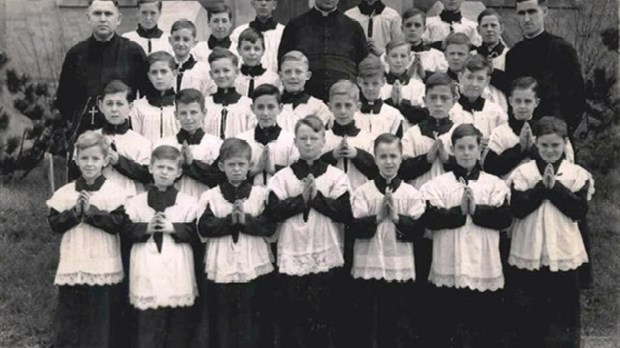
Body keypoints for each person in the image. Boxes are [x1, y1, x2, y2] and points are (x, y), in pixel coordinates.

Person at [420, 123, 511, 348]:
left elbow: (504, 219)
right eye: (461, 148)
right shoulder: (438, 185)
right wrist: (458, 212)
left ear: (480, 149)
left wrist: (476, 211)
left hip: (483, 263)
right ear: (453, 150)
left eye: (471, 147)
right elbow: (429, 219)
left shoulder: (494, 184)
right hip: (449, 261)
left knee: (481, 325)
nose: (467, 153)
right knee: (448, 324)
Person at [507, 116, 594, 347]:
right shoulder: (523, 174)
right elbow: (518, 209)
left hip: (563, 250)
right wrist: (540, 188)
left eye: (555, 145)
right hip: (529, 250)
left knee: (563, 313)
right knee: (530, 312)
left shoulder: (577, 174)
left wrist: (554, 187)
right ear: (535, 143)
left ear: (565, 144)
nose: (550, 150)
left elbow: (578, 210)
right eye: (544, 145)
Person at [266, 115, 352, 347]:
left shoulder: (336, 176)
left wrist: (316, 198)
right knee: (293, 318)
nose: (308, 143)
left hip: (324, 251)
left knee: (324, 316)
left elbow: (344, 212)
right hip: (293, 251)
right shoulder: (282, 177)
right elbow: (273, 212)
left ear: (324, 141)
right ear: (295, 141)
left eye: (314, 138)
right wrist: (301, 200)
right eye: (303, 138)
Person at [46, 131, 126, 348]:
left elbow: (117, 223)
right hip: (74, 261)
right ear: (76, 159)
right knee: (70, 316)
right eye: (84, 158)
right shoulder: (65, 192)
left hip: (102, 263)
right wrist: (75, 212)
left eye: (95, 158)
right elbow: (55, 224)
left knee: (99, 318)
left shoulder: (114, 193)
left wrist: (90, 213)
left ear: (105, 161)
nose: (89, 164)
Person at [194, 138, 276, 348]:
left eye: (241, 164)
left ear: (250, 166)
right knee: (223, 320)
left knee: (253, 317)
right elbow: (204, 227)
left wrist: (246, 220)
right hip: (222, 263)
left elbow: (269, 226)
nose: (237, 169)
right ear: (221, 166)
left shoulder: (260, 194)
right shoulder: (211, 196)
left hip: (253, 263)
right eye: (231, 164)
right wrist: (229, 221)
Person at [347, 133, 425, 348]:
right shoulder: (363, 192)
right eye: (383, 156)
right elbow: (354, 227)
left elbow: (418, 230)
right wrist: (378, 217)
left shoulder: (410, 193)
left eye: (393, 156)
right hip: (369, 261)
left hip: (398, 263)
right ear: (375, 159)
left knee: (397, 318)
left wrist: (398, 218)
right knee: (368, 319)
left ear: (401, 158)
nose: (389, 162)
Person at [56, 0, 147, 179]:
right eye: (97, 14)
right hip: (85, 133)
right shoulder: (76, 54)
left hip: (123, 133)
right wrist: (83, 118)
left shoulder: (133, 51)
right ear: (88, 17)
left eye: (108, 14)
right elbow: (64, 100)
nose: (103, 19)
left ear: (118, 19)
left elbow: (144, 96)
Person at [123, 145, 199, 348]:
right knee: (148, 321)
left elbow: (196, 232)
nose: (164, 172)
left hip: (176, 263)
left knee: (177, 322)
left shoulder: (189, 203)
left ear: (179, 173)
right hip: (146, 263)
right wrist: (146, 228)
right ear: (150, 168)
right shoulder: (135, 203)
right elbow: (126, 229)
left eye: (170, 168)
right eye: (160, 167)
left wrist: (173, 227)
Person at [506, 0, 585, 135]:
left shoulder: (561, 48)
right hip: (522, 134)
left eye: (532, 11)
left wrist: (565, 130)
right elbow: (511, 97)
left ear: (545, 12)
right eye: (521, 13)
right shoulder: (514, 54)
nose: (526, 19)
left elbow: (577, 94)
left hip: (555, 136)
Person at [277, 0, 369, 102]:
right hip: (305, 100)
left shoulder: (354, 27)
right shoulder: (295, 26)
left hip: (344, 100)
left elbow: (363, 67)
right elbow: (283, 63)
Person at [485, 77, 576, 179]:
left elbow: (562, 167)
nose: (522, 106)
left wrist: (532, 149)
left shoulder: (547, 131)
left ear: (536, 102)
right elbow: (490, 168)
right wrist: (520, 149)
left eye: (527, 101)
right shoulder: (500, 133)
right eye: (518, 101)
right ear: (510, 101)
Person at [155, 88, 224, 199]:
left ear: (204, 113)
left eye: (193, 112)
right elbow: (156, 178)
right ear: (176, 115)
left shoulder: (216, 144)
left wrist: (192, 164)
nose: (188, 118)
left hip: (205, 202)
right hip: (172, 204)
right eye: (183, 113)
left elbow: (219, 179)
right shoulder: (164, 143)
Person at [97, 80, 152, 198]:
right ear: (101, 106)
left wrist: (118, 161)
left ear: (130, 106)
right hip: (99, 202)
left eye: (120, 104)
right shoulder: (92, 138)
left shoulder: (141, 142)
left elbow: (147, 175)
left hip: (131, 203)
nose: (114, 109)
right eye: (109, 104)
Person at [236, 84, 298, 187]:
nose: (265, 113)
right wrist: (255, 170)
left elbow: (295, 177)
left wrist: (273, 170)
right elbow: (232, 176)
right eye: (260, 107)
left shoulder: (291, 141)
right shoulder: (242, 140)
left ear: (280, 108)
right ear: (252, 109)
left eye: (271, 107)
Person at [321, 80, 377, 192]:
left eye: (348, 105)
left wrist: (357, 155)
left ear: (357, 106)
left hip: (362, 200)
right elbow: (314, 169)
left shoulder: (368, 139)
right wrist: (332, 156)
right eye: (337, 105)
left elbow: (376, 172)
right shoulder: (322, 139)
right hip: (329, 199)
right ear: (329, 107)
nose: (342, 111)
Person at [450, 54, 508, 153]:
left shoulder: (495, 111)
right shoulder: (450, 109)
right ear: (460, 77)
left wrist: (491, 144)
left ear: (487, 81)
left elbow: (504, 140)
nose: (474, 84)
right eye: (469, 77)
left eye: (480, 79)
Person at [203, 48, 255, 140]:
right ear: (211, 74)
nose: (221, 75)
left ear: (236, 72)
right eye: (216, 71)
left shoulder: (247, 105)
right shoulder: (205, 104)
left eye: (226, 70)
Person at [277, 50, 333, 132]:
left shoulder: (318, 107)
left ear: (308, 75)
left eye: (298, 72)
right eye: (288, 72)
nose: (293, 76)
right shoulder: (273, 105)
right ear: (281, 76)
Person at [130, 51, 179, 144]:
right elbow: (137, 140)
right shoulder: (138, 107)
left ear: (174, 73)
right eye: (154, 72)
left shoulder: (181, 105)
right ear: (149, 76)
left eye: (164, 71)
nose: (159, 77)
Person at [387, 8, 447, 79]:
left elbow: (443, 81)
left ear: (424, 29)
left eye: (417, 25)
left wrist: (425, 75)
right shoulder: (393, 55)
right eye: (408, 25)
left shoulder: (435, 55)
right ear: (402, 28)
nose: (412, 29)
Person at [355, 54, 404, 139]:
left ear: (383, 82)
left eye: (375, 83)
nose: (370, 88)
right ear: (359, 82)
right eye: (366, 83)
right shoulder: (352, 114)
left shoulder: (394, 115)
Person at [380, 39, 427, 128]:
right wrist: (391, 102)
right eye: (394, 56)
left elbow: (424, 116)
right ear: (386, 59)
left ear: (409, 59)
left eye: (403, 56)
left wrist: (402, 103)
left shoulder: (418, 86)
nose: (398, 60)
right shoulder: (380, 85)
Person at [230, 0, 284, 74]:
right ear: (253, 3)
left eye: (268, 0)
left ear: (274, 4)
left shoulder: (283, 32)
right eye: (259, 0)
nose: (263, 3)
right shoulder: (239, 32)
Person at [169, 20, 213, 97]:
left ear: (194, 43)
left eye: (186, 39)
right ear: (170, 40)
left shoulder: (203, 70)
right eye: (176, 39)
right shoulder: (165, 68)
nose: (181, 43)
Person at [234, 28, 281, 98]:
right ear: (239, 50)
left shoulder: (272, 79)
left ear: (263, 51)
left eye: (257, 49)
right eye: (247, 48)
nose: (252, 53)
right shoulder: (234, 78)